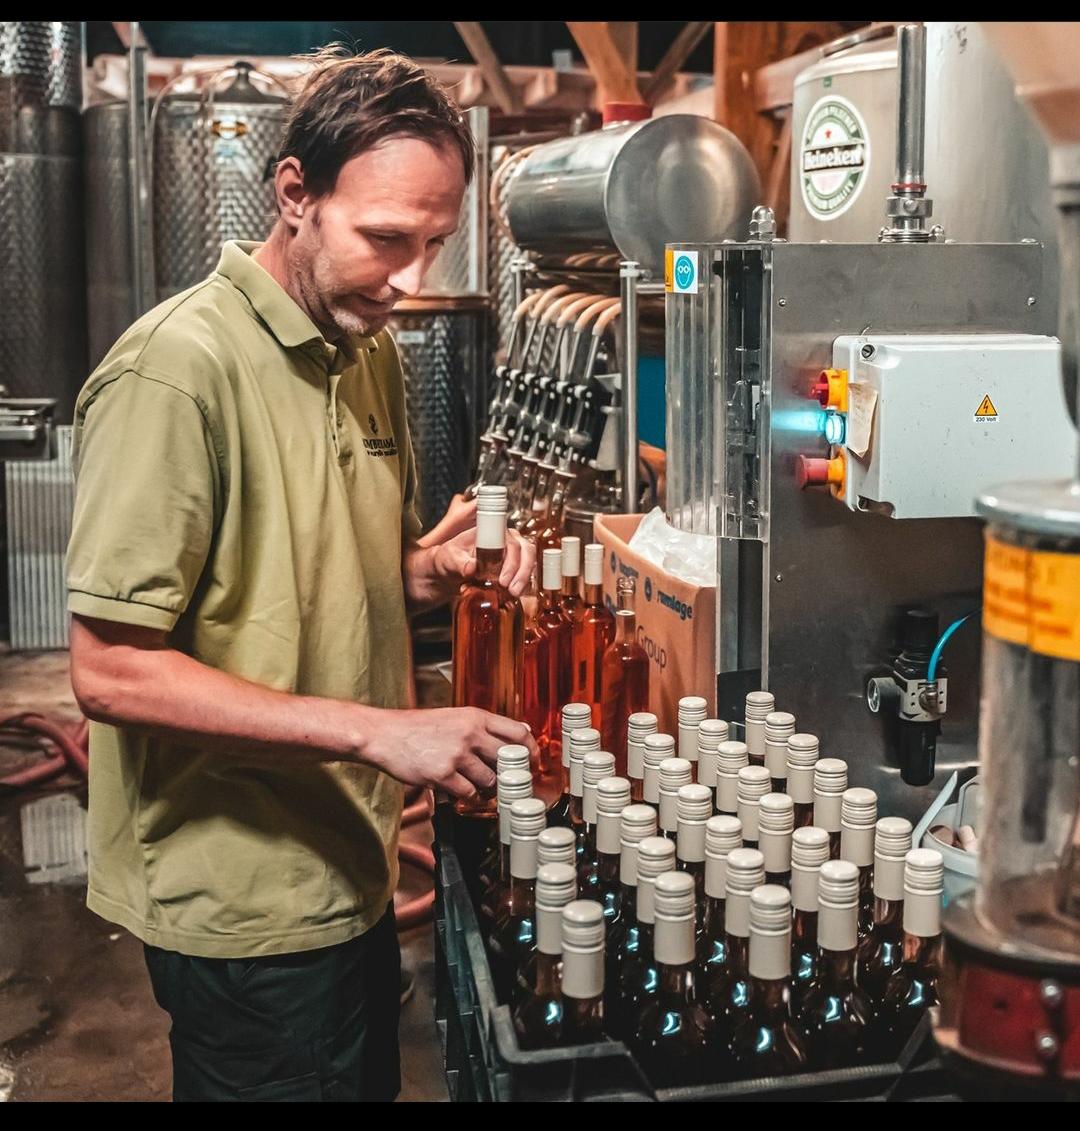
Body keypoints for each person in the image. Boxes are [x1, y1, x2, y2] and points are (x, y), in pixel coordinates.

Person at [66, 46, 535, 1102]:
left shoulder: (366, 349)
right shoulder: (177, 374)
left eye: (433, 243)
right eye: (384, 239)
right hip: (245, 900)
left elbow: (319, 579)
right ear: (295, 196)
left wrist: (426, 572)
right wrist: (381, 731)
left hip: (348, 863)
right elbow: (111, 674)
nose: (411, 278)